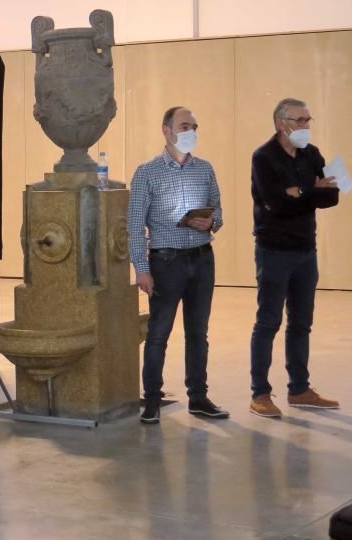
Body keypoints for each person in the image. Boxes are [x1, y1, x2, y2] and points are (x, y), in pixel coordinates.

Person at [127, 106, 228, 425]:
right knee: (158, 334)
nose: (191, 131)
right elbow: (133, 224)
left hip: (201, 259)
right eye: (185, 126)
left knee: (198, 333)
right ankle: (152, 400)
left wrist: (211, 222)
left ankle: (198, 398)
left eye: (195, 126)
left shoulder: (205, 169)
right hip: (166, 262)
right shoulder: (147, 172)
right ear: (166, 131)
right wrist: (141, 268)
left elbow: (219, 214)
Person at [248, 98, 340, 418]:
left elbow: (334, 196)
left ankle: (299, 388)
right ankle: (260, 393)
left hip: (305, 251)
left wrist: (299, 191)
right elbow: (275, 202)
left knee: (301, 323)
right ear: (280, 123)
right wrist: (310, 191)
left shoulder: (312, 154)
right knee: (268, 322)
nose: (305, 126)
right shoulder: (262, 157)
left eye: (308, 120)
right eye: (299, 121)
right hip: (273, 250)